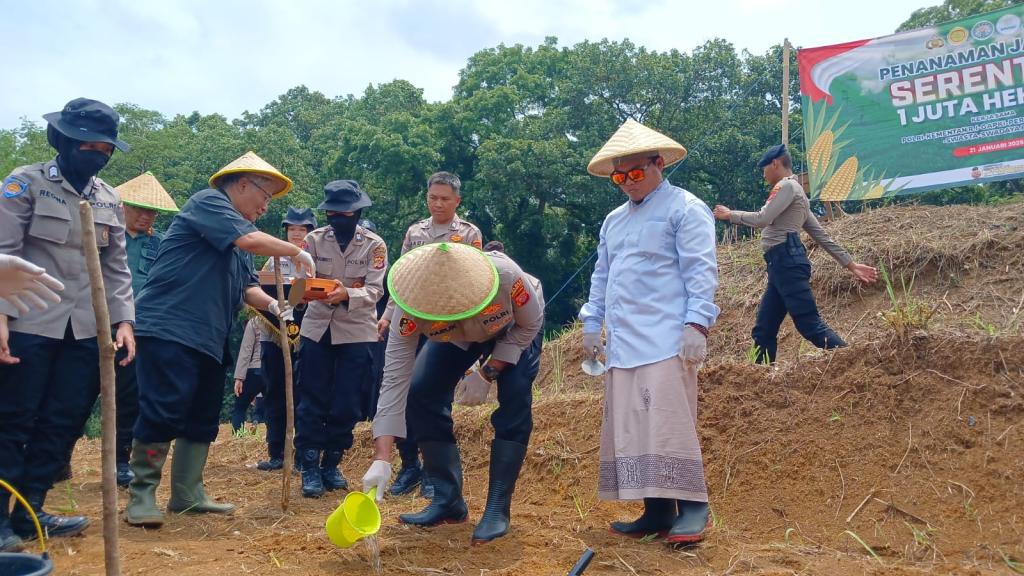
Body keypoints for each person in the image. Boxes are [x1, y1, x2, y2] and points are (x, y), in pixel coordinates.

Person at [124, 151, 314, 528]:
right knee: (164, 407)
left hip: (209, 335)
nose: (265, 206)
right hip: (168, 327)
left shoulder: (239, 230)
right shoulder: (208, 203)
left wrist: (278, 306)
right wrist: (297, 252)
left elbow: (246, 289)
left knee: (203, 413)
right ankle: (142, 494)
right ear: (242, 184)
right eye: (265, 196)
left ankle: (187, 493)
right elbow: (252, 243)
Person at [0, 98, 135, 550]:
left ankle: (32, 510)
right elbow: (1, 252)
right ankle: (1, 517)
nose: (96, 154)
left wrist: (124, 322)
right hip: (27, 324)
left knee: (63, 421)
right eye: (86, 145)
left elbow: (116, 267)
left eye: (105, 148)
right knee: (12, 420)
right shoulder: (27, 183)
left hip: (85, 332)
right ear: (63, 141)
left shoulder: (109, 197)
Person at [580, 119, 719, 544]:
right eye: (619, 177)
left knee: (668, 422)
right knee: (633, 426)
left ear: (659, 164)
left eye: (636, 173)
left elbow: (701, 269)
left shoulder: (685, 208)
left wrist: (697, 323)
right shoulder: (613, 221)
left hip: (666, 338)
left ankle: (695, 508)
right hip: (623, 341)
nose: (627, 183)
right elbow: (602, 275)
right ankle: (656, 510)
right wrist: (591, 322)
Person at [361, 242, 545, 544]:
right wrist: (382, 457)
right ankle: (448, 500)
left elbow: (531, 324)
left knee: (514, 400)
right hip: (456, 335)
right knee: (421, 392)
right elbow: (395, 380)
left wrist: (488, 371)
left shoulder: (507, 277)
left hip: (512, 328)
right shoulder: (410, 309)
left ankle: (498, 508)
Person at [712, 144, 878, 364]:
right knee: (764, 329)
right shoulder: (798, 194)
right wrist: (851, 264)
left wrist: (730, 214)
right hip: (780, 265)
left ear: (775, 163)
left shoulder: (787, 187)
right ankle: (761, 378)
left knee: (809, 324)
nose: (764, 174)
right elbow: (821, 236)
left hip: (786, 262)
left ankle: (854, 363)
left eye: (764, 168)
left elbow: (763, 219)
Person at [377, 171, 483, 498]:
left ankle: (433, 471)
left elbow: (475, 278)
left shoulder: (468, 233)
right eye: (433, 197)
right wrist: (389, 312)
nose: (438, 203)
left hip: (447, 321)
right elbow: (402, 275)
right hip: (411, 316)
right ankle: (409, 464)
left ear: (457, 201)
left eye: (445, 199)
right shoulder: (415, 232)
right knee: (403, 387)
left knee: (434, 393)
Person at [296, 181, 387, 498]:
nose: (336, 218)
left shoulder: (374, 245)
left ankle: (331, 463)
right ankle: (308, 465)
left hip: (357, 330)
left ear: (357, 211)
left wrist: (346, 292)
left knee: (347, 402)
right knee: (311, 398)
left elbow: (376, 290)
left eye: (343, 213)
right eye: (331, 213)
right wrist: (308, 291)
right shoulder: (313, 241)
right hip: (317, 328)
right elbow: (300, 282)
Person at [112, 171, 180, 487]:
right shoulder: (107, 237)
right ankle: (58, 459)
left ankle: (120, 461)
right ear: (122, 206)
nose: (145, 216)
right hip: (96, 324)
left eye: (151, 210)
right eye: (138, 208)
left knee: (130, 395)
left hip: (141, 330)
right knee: (79, 392)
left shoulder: (161, 244)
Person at [254, 206, 318, 472]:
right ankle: (276, 451)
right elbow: (260, 286)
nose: (296, 234)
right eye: (292, 229)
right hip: (274, 331)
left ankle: (303, 453)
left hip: (307, 331)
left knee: (304, 391)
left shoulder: (316, 258)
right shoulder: (274, 257)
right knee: (274, 391)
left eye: (302, 230)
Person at [232, 317, 265, 434]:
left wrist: (239, 377)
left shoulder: (255, 321)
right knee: (274, 409)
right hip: (273, 371)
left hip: (255, 370)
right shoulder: (283, 317)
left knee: (240, 407)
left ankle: (238, 438)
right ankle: (274, 443)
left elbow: (246, 349)